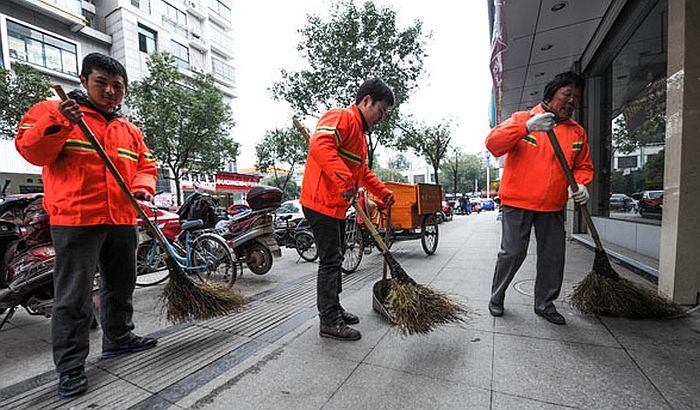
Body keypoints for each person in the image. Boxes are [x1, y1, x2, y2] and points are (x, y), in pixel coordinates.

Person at [15, 53, 158, 397]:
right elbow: (33, 151)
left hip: (121, 217)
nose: (110, 91)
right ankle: (71, 367)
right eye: (102, 83)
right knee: (74, 298)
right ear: (83, 81)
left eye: (117, 86)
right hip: (77, 218)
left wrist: (142, 187)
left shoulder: (128, 130)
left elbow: (146, 164)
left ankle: (119, 338)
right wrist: (60, 121)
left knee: (121, 284)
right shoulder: (55, 112)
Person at [485, 71, 593, 325]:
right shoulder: (523, 118)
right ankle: (496, 297)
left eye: (576, 97)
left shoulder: (577, 133)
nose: (571, 101)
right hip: (517, 203)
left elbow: (584, 166)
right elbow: (493, 144)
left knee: (553, 257)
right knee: (512, 253)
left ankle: (545, 304)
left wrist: (581, 183)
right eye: (567, 94)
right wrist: (526, 127)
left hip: (553, 206)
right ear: (552, 93)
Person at [300, 78, 395, 341]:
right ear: (366, 101)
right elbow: (320, 145)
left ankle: (335, 309)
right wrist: (343, 181)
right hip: (320, 203)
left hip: (336, 206)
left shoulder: (360, 138)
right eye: (381, 110)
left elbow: (362, 172)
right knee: (330, 261)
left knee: (337, 259)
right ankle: (329, 321)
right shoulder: (340, 117)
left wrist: (383, 193)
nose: (381, 117)